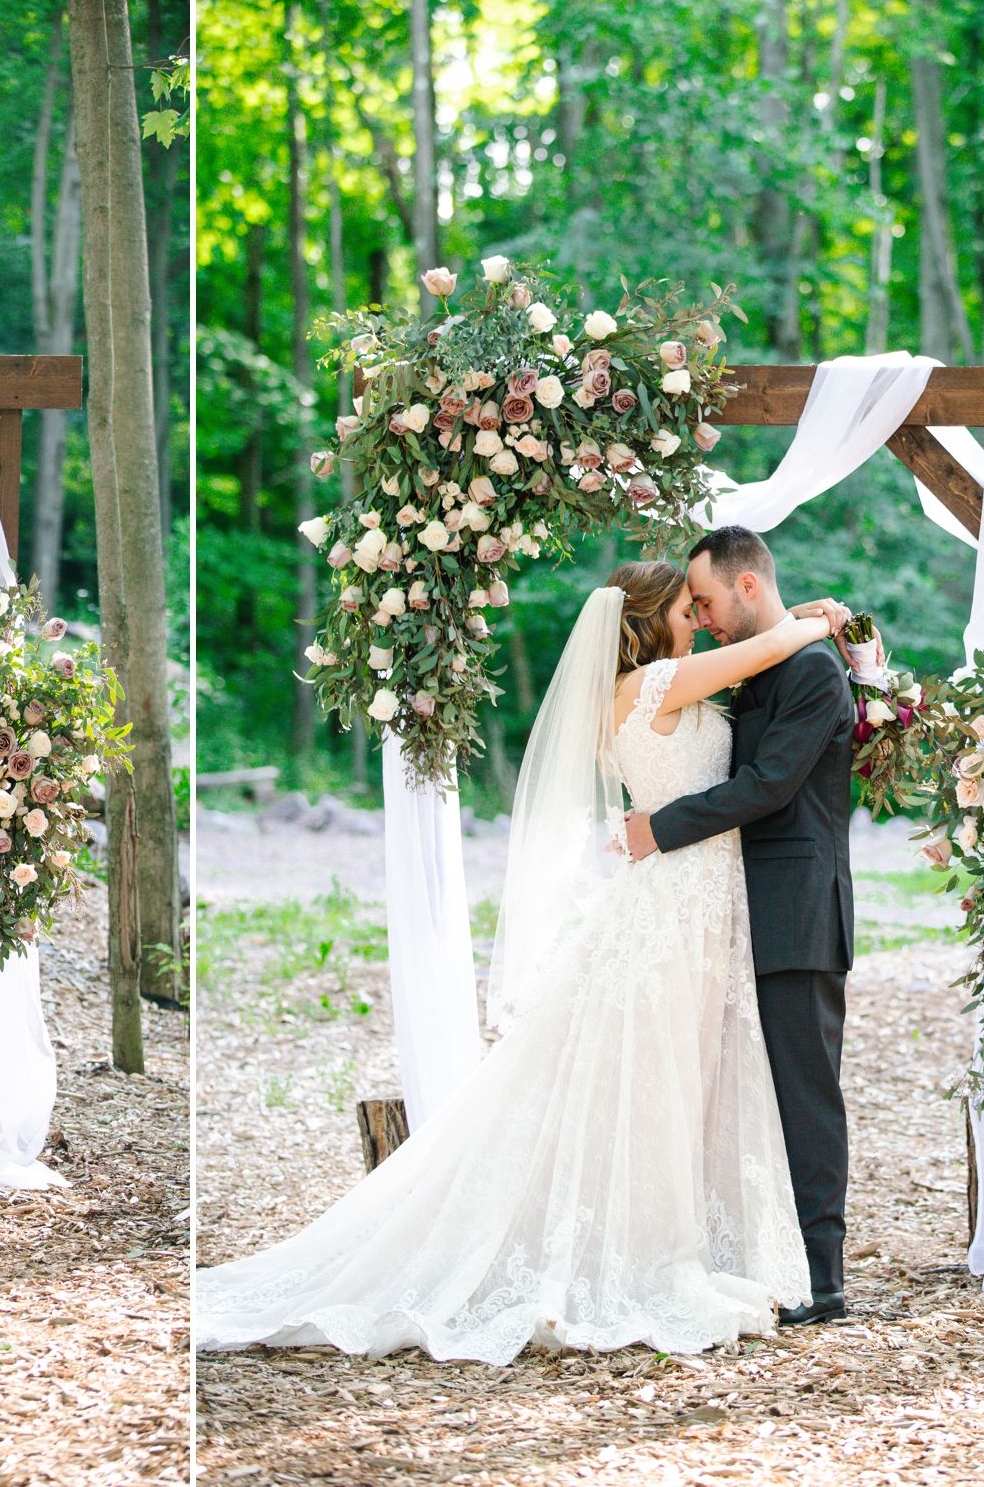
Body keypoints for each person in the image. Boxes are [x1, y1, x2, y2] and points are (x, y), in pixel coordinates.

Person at [194, 557, 849, 1361]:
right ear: (650, 621)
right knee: (658, 1080)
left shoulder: (671, 683)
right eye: (688, 606)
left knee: (682, 1082)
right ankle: (649, 1257)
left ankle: (682, 1241)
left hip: (707, 908)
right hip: (673, 908)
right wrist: (819, 620)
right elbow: (760, 652)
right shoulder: (655, 683)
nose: (701, 617)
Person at [623, 525, 857, 1326]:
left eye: (710, 601)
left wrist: (660, 826)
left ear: (748, 586)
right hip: (723, 917)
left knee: (804, 1092)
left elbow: (766, 786)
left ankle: (824, 1280)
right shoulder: (759, 669)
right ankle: (748, 1256)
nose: (707, 617)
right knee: (731, 1094)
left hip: (795, 913)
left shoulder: (816, 673)